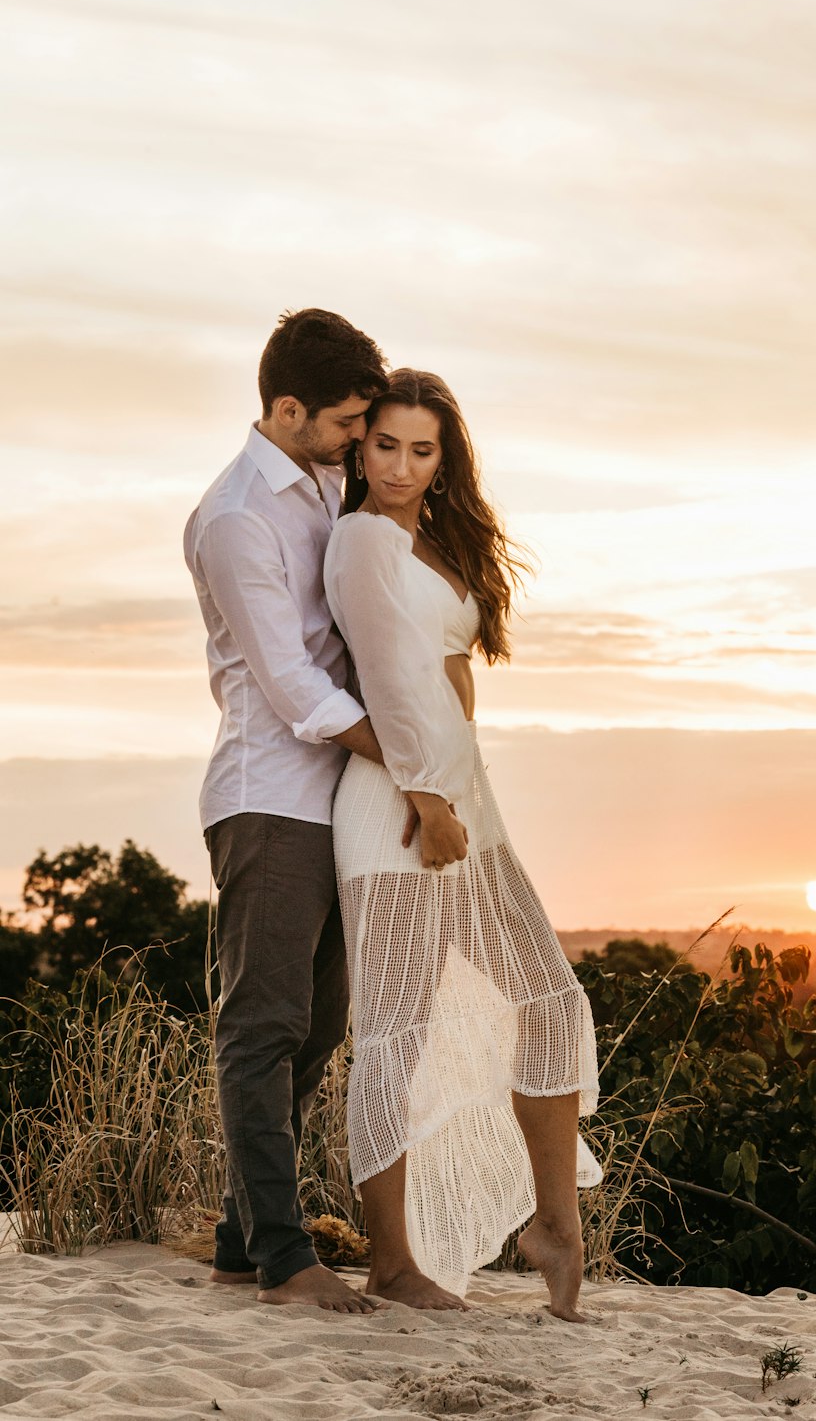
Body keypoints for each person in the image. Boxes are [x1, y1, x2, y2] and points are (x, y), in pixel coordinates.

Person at [324, 369, 602, 1322]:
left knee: (549, 998)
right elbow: (389, 682)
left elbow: (448, 679)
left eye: (422, 449)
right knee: (396, 1031)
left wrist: (466, 796)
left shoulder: (433, 542)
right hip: (398, 808)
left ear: (445, 461)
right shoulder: (360, 539)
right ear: (361, 451)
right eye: (385, 445)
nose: (400, 466)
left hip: (463, 806)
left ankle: (554, 1223)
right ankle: (392, 1262)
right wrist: (428, 796)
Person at [184, 309, 391, 1312]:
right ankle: (280, 1258)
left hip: (339, 803)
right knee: (261, 1028)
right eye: (348, 420)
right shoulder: (236, 518)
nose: (360, 436)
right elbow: (291, 684)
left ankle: (236, 1239)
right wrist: (410, 751)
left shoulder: (328, 487)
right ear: (286, 409)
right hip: (270, 798)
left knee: (316, 1031)